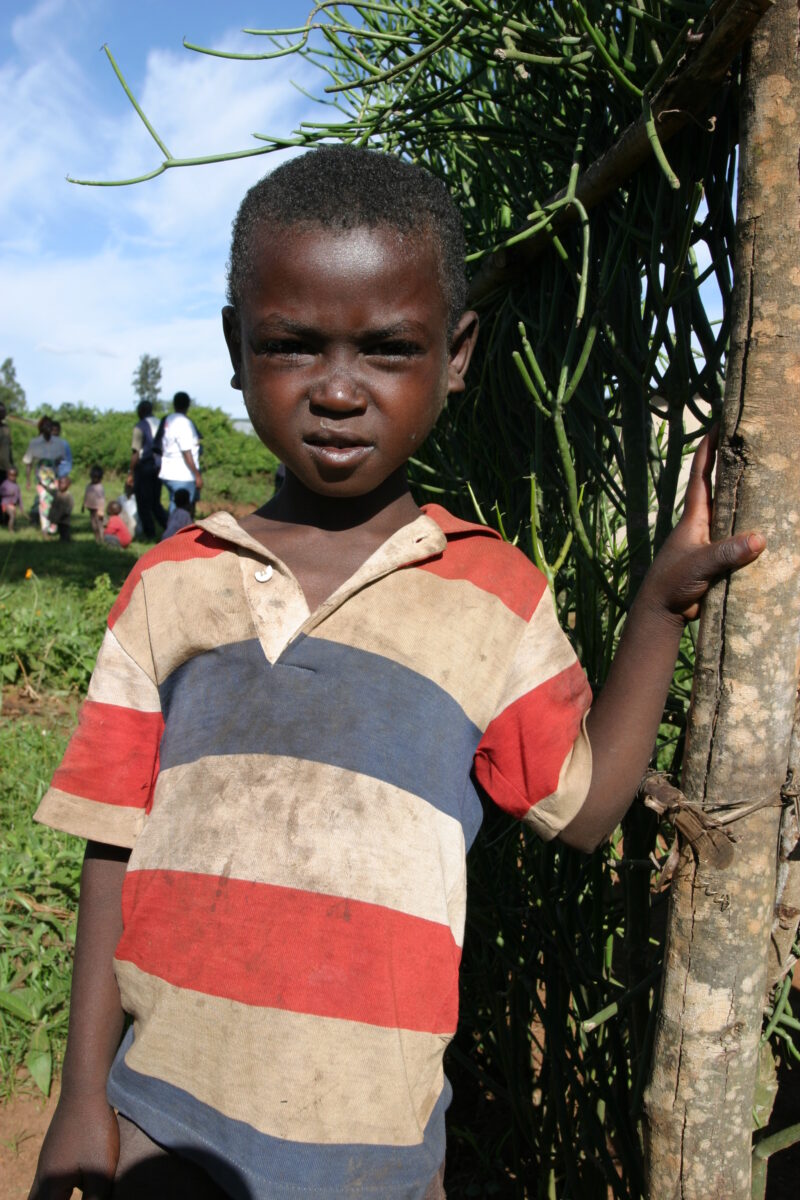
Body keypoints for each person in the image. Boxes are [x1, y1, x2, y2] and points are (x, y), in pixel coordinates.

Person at [28, 147, 765, 1200]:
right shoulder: (169, 585)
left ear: (455, 355)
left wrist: (657, 606)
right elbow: (114, 844)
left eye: (386, 349)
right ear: (236, 349)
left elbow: (588, 806)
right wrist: (79, 1105)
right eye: (291, 345)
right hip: (162, 1122)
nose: (335, 390)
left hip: (373, 1150)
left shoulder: (493, 594)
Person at [157, 391, 202, 513]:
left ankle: (171, 530)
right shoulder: (184, 423)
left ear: (174, 404)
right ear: (188, 405)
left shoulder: (168, 420)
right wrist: (197, 475)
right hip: (182, 474)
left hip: (168, 472)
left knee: (175, 507)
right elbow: (186, 452)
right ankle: (176, 532)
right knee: (182, 511)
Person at [127, 400, 166, 538]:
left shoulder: (140, 426)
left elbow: (136, 453)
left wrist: (130, 472)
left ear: (142, 411)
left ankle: (149, 533)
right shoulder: (160, 423)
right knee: (156, 502)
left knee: (143, 502)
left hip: (145, 467)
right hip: (160, 466)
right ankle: (168, 527)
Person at [23, 416, 67, 535]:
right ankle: (44, 530)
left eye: (50, 426)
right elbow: (28, 462)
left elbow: (61, 460)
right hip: (41, 478)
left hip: (55, 477)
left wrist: (62, 475)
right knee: (43, 501)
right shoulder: (35, 443)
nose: (48, 428)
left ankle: (53, 526)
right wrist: (28, 480)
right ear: (41, 428)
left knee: (54, 502)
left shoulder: (58, 443)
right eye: (45, 426)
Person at [82, 466, 106, 544]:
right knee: (93, 525)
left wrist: (101, 510)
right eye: (93, 477)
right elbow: (86, 495)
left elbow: (102, 500)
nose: (94, 479)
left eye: (96, 478)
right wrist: (83, 505)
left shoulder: (100, 488)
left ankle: (102, 539)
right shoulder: (88, 486)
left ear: (100, 478)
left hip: (98, 509)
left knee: (99, 525)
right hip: (91, 508)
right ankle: (97, 539)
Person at [47, 476, 74, 543]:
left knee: (65, 529)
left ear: (68, 485)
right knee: (60, 529)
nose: (60, 485)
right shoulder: (57, 493)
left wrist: (66, 512)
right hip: (58, 516)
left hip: (65, 518)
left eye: (62, 483)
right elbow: (50, 492)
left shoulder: (68, 495)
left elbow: (70, 505)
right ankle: (62, 539)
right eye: (59, 483)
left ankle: (66, 540)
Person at [0, 465, 23, 531]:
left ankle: (9, 526)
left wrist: (21, 507)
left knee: (12, 517)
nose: (12, 477)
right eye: (11, 475)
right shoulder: (5, 484)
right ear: (7, 475)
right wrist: (8, 493)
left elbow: (19, 497)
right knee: (12, 516)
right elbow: (1, 493)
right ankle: (11, 530)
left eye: (14, 475)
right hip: (5, 504)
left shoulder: (16, 486)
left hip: (13, 505)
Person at [0, 401, 13, 487]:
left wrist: (12, 464)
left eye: (4, 410)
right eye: (1, 410)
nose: (4, 412)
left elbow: (9, 448)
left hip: (5, 467)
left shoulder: (6, 428)